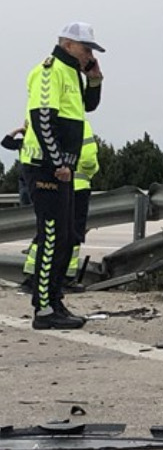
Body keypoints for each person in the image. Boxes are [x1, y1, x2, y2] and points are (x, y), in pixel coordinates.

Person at [19, 21, 105, 330]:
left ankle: (54, 301)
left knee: (67, 237)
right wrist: (57, 163)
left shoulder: (72, 73)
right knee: (52, 236)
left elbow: (87, 108)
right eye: (86, 49)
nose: (89, 55)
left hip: (63, 169)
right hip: (45, 166)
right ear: (68, 44)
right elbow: (41, 119)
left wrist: (94, 79)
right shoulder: (49, 69)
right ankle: (43, 309)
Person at [21, 119, 98, 292]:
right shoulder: (80, 124)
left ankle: (33, 276)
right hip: (76, 186)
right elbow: (88, 158)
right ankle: (65, 279)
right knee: (72, 233)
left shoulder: (45, 123)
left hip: (48, 182)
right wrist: (91, 171)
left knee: (47, 230)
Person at [2, 124, 31, 206]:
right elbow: (5, 142)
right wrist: (18, 130)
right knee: (24, 205)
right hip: (23, 180)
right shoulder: (21, 143)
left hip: (34, 179)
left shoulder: (38, 143)